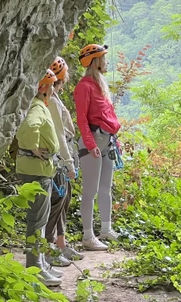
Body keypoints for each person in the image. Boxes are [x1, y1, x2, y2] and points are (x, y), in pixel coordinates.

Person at [15, 69, 64, 287]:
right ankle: (35, 268)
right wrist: (33, 148)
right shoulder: (36, 107)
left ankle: (40, 263)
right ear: (43, 88)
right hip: (37, 169)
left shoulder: (37, 106)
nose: (54, 89)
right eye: (52, 85)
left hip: (40, 169)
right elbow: (28, 127)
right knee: (37, 221)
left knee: (40, 220)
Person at [73, 44, 122, 251]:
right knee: (90, 190)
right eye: (103, 58)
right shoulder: (84, 87)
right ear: (95, 61)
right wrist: (91, 144)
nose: (106, 62)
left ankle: (106, 229)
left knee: (105, 189)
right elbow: (82, 119)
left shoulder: (100, 84)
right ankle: (87, 235)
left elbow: (108, 114)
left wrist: (115, 139)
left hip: (107, 140)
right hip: (92, 141)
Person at [44, 57, 85, 266]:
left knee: (65, 199)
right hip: (60, 156)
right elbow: (59, 133)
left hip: (64, 153)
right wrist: (68, 162)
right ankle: (48, 246)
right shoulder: (50, 100)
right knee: (57, 200)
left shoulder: (55, 98)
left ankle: (60, 242)